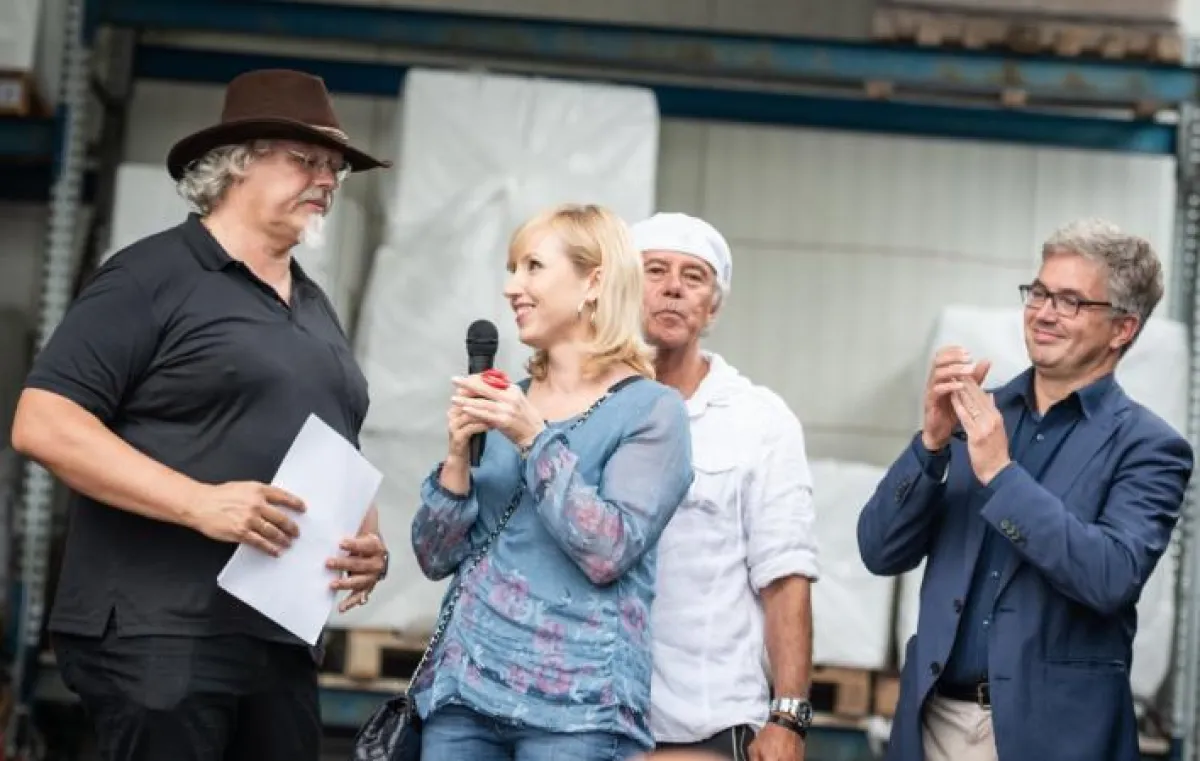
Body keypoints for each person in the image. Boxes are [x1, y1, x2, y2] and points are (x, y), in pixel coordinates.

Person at [10, 69, 392, 761]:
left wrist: (363, 537)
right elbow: (43, 420)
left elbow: (322, 437)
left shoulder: (311, 305)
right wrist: (197, 503)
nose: (328, 180)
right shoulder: (149, 277)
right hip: (162, 632)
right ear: (235, 165)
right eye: (305, 159)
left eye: (334, 167)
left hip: (278, 638)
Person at [857, 218, 1194, 761]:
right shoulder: (975, 414)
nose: (1044, 312)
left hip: (1052, 738)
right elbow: (878, 551)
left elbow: (1109, 576)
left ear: (1122, 329)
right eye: (1038, 292)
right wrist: (932, 443)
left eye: (1070, 301)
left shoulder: (1150, 448)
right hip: (932, 723)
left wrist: (1002, 475)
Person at [409, 203, 695, 761]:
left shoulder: (652, 412)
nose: (512, 287)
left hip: (578, 714)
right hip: (463, 697)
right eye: (513, 268)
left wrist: (532, 438)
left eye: (532, 267)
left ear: (593, 282)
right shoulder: (506, 399)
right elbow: (433, 555)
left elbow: (608, 549)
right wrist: (456, 459)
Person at [632, 212, 820, 760]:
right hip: (586, 720)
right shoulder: (582, 405)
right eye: (655, 270)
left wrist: (788, 717)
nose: (673, 287)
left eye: (695, 277)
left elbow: (785, 576)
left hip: (705, 724)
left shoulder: (760, 420)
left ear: (712, 306)